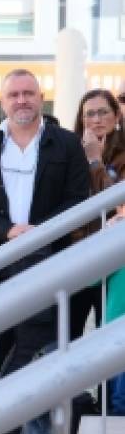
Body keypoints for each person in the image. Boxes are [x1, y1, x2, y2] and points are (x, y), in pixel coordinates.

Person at [0, 69, 89, 434]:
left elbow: (78, 199)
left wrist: (40, 233)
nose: (21, 101)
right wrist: (9, 230)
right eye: (13, 94)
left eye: (28, 93)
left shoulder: (64, 144)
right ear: (3, 101)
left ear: (41, 97)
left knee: (36, 348)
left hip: (47, 259)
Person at [69, 89, 125, 339]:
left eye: (103, 112)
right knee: (67, 335)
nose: (96, 119)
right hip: (77, 253)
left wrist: (95, 161)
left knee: (108, 336)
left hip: (113, 258)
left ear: (116, 116)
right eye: (89, 114)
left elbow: (117, 202)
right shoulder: (70, 153)